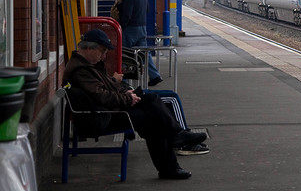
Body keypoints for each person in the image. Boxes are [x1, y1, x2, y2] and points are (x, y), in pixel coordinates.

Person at [63, 29, 206, 179]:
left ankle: (173, 151)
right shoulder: (81, 70)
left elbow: (105, 90)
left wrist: (127, 93)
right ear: (88, 48)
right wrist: (127, 99)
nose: (104, 56)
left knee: (152, 109)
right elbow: (101, 97)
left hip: (106, 111)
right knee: (152, 111)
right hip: (101, 117)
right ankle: (174, 145)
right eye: (102, 51)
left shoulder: (88, 66)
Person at [116, 0, 163, 86]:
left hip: (130, 29)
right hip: (142, 28)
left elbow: (127, 14)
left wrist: (120, 27)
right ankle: (154, 75)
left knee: (124, 54)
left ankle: (124, 80)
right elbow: (147, 9)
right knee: (144, 53)